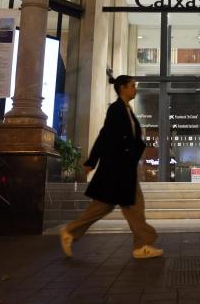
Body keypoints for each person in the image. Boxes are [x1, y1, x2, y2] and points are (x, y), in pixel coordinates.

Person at [59, 75, 162, 259]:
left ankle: (71, 231)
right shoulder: (116, 109)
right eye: (132, 86)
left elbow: (130, 139)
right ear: (122, 88)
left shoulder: (126, 110)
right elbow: (104, 135)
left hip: (123, 167)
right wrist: (92, 161)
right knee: (130, 205)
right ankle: (141, 245)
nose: (135, 89)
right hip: (118, 168)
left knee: (108, 206)